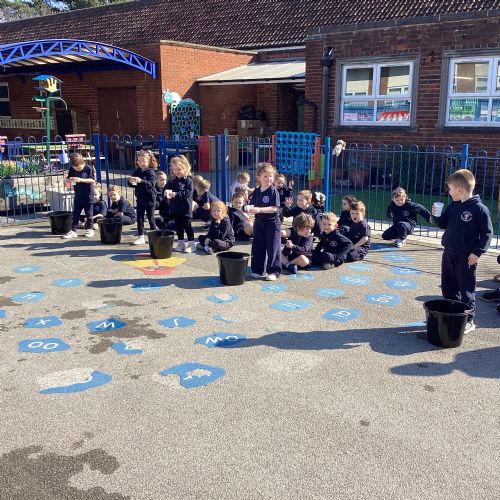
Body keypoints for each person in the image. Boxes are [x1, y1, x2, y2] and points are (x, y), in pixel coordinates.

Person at [432, 169, 493, 333]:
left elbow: (487, 233)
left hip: (466, 256)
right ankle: (453, 314)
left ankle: (468, 320)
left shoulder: (479, 209)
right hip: (449, 253)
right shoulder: (454, 206)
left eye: (450, 189)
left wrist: (477, 252)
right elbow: (443, 224)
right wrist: (437, 216)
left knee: (466, 289)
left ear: (460, 190)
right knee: (448, 286)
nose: (449, 192)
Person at [249, 162, 281, 281]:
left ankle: (273, 271)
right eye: (265, 176)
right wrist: (250, 210)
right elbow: (253, 205)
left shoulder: (273, 191)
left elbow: (274, 208)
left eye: (270, 176)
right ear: (259, 177)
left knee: (272, 247)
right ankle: (258, 270)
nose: (269, 179)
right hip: (259, 222)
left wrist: (259, 209)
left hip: (272, 223)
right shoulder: (256, 191)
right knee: (257, 246)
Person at [166, 155, 196, 253]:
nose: (177, 172)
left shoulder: (188, 180)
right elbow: (166, 187)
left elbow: (188, 193)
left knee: (187, 226)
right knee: (178, 227)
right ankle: (181, 243)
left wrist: (176, 194)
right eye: (174, 169)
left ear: (185, 168)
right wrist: (165, 191)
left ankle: (192, 244)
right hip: (175, 208)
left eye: (179, 169)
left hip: (185, 209)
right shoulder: (172, 180)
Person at [62, 153, 96, 239]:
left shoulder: (88, 168)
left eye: (79, 168)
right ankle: (73, 231)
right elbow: (68, 183)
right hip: (78, 195)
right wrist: (67, 181)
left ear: (83, 163)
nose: (77, 169)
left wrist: (81, 179)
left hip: (88, 195)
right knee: (75, 213)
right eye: (75, 168)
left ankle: (90, 229)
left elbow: (92, 180)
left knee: (89, 214)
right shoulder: (72, 169)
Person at [128, 150, 157, 245]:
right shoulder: (137, 171)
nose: (141, 163)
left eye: (143, 161)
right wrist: (130, 181)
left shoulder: (151, 172)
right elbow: (131, 184)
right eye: (139, 161)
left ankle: (154, 236)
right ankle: (141, 237)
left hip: (150, 199)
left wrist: (141, 181)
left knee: (151, 218)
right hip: (140, 199)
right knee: (139, 218)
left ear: (149, 161)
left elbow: (151, 184)